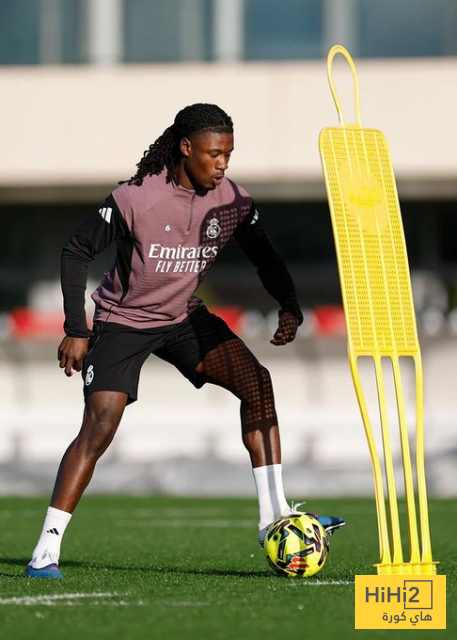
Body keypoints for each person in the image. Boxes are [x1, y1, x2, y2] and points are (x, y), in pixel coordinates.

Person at [26, 103, 344, 579]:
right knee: (100, 425)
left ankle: (274, 518)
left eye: (229, 155)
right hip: (123, 321)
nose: (223, 164)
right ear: (186, 148)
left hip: (182, 317)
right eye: (214, 154)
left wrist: (289, 305)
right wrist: (76, 327)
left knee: (257, 382)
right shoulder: (136, 197)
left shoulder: (234, 201)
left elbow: (266, 257)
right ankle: (45, 550)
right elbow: (76, 250)